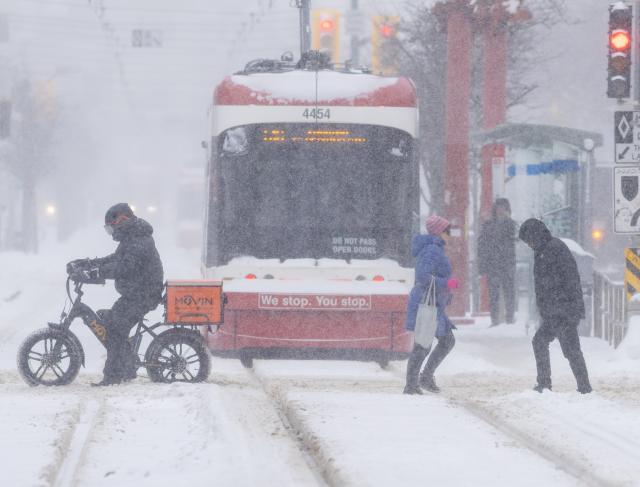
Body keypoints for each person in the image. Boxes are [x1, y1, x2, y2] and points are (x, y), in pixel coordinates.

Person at [73, 203, 164, 386]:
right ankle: (127, 368)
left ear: (121, 221)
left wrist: (98, 273)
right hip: (137, 293)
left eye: (110, 227)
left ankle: (113, 377)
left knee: (115, 329)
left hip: (143, 294)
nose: (111, 232)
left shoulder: (139, 239)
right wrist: (90, 264)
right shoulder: (132, 237)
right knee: (113, 322)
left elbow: (124, 267)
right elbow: (116, 258)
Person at [518, 218, 592, 394]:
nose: (528, 244)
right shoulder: (544, 249)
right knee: (547, 343)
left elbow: (566, 280)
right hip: (556, 311)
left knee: (569, 349)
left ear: (535, 235)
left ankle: (582, 388)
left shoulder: (553, 249)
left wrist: (565, 309)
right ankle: (550, 384)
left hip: (562, 310)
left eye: (528, 240)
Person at [403, 215, 459, 395]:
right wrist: (447, 283)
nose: (450, 234)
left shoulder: (433, 248)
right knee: (425, 343)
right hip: (427, 303)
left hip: (431, 302)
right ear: (438, 232)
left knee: (442, 340)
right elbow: (422, 276)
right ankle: (414, 383)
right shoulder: (432, 250)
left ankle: (420, 379)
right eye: (447, 231)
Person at [477, 198, 517, 327]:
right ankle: (494, 320)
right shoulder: (488, 225)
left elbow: (515, 236)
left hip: (506, 264)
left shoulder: (510, 224)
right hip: (493, 264)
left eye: (504, 207)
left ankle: (509, 319)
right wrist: (482, 265)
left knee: (509, 292)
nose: (501, 210)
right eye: (499, 207)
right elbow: (482, 245)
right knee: (494, 294)